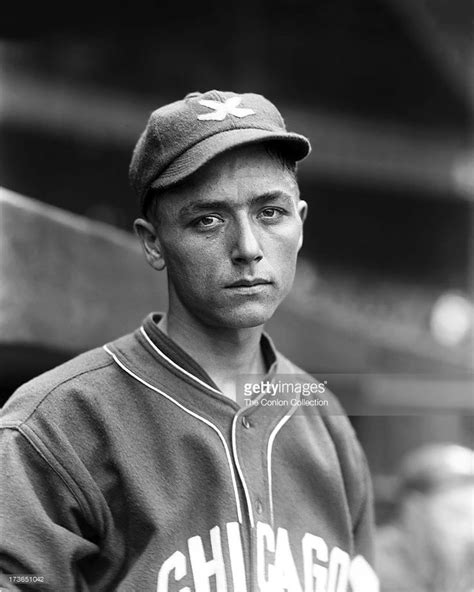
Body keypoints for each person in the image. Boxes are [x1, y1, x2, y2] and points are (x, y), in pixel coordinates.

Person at [0, 90, 378, 591]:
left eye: (270, 213)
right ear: (153, 241)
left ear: (300, 225)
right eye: (208, 220)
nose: (247, 248)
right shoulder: (54, 424)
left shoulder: (325, 419)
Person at [376, 443, 474, 592]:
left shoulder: (461, 563)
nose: (469, 531)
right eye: (457, 515)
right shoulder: (376, 561)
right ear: (414, 510)